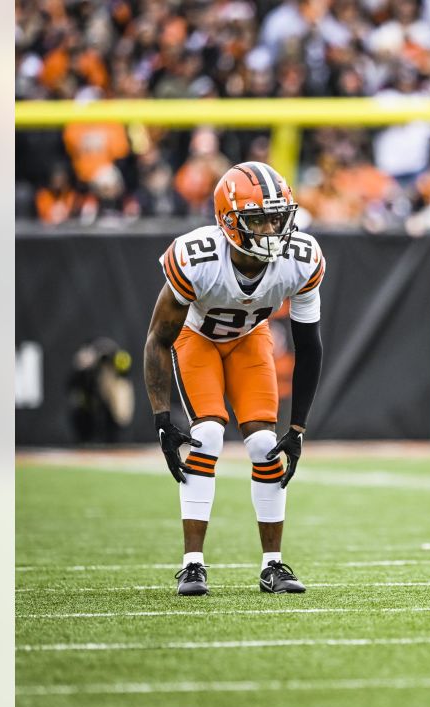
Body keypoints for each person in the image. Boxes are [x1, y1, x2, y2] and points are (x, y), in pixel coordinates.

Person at [142, 161, 326, 596]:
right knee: (205, 434)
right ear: (229, 222)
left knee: (266, 444)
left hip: (249, 340)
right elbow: (157, 339)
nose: (270, 229)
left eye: (276, 217)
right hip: (197, 338)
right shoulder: (197, 258)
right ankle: (192, 564)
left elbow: (310, 344)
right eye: (258, 218)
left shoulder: (301, 260)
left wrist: (297, 427)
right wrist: (162, 418)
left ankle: (274, 565)